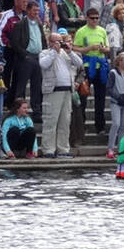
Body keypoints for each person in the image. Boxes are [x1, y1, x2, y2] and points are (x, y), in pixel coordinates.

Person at [39, 29, 82, 158]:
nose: (59, 44)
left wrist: (70, 51)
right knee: (50, 122)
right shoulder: (45, 53)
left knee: (65, 122)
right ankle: (48, 150)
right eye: (56, 41)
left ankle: (63, 149)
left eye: (60, 41)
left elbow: (79, 64)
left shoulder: (66, 53)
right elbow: (43, 64)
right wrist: (54, 52)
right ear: (50, 42)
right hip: (53, 90)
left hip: (67, 91)